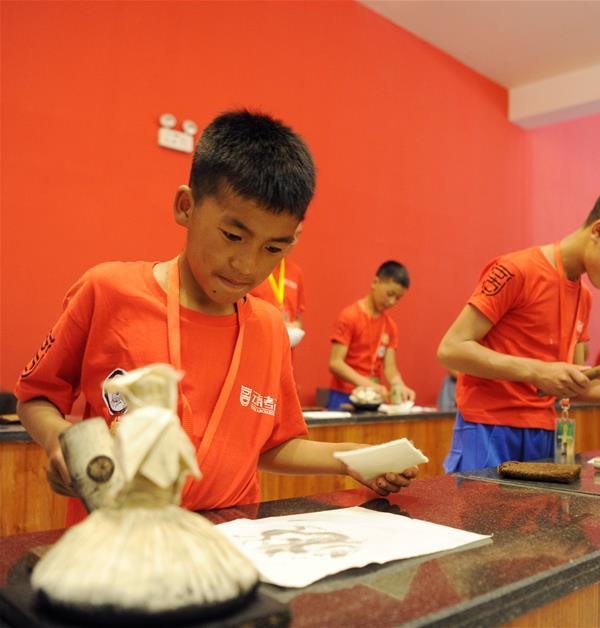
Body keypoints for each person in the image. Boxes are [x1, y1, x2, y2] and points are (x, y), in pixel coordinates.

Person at [15, 110, 416, 526]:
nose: (247, 265)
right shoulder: (108, 292)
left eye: (273, 249)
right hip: (119, 540)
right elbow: (36, 397)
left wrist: (353, 458)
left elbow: (272, 445)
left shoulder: (270, 328)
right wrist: (61, 441)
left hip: (227, 542)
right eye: (233, 236)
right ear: (186, 206)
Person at [437, 181, 600, 472]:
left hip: (544, 433)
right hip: (487, 428)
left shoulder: (583, 297)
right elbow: (451, 349)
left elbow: (574, 388)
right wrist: (537, 371)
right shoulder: (515, 270)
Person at [327, 261, 415, 409]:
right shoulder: (350, 316)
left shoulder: (390, 326)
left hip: (373, 398)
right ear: (375, 282)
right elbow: (335, 363)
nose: (392, 301)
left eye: (398, 298)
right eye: (390, 294)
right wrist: (368, 385)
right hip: (344, 395)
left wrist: (400, 386)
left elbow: (390, 369)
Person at [249, 255, 306, 347]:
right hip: (255, 342)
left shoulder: (295, 272)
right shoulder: (252, 267)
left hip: (285, 347)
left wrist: (294, 327)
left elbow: (298, 319)